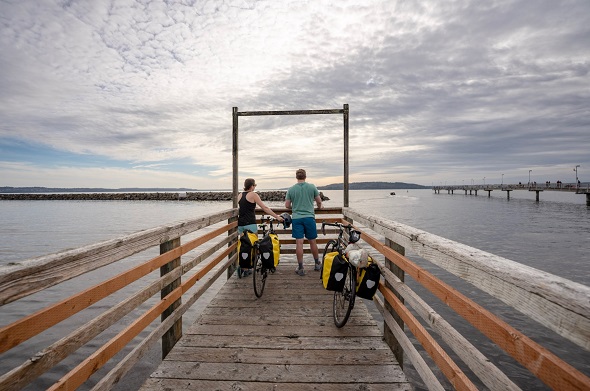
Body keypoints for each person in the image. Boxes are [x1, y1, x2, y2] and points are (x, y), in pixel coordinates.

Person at [237, 178, 283, 277]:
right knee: (254, 246)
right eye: (254, 186)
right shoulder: (253, 194)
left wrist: (253, 207)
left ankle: (244, 268)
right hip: (250, 224)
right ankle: (252, 267)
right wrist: (277, 217)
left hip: (240, 225)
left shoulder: (240, 195)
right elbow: (265, 208)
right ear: (252, 186)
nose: (254, 187)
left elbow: (244, 207)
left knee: (245, 246)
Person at [285, 169, 323, 276]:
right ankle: (317, 264)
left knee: (299, 243)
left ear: (296, 177)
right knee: (312, 241)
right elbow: (319, 201)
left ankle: (301, 267)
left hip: (297, 218)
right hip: (309, 218)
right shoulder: (312, 187)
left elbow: (287, 205)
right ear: (305, 176)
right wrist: (320, 207)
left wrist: (295, 208)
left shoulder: (291, 189)